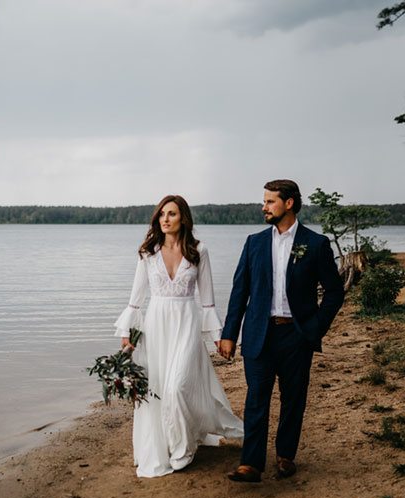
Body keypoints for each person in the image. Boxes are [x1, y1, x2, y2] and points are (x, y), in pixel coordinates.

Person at [220, 179, 344, 482]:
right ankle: (251, 463)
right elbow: (240, 292)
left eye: (269, 201)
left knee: (293, 399)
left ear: (288, 203)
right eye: (264, 201)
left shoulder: (315, 244)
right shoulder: (254, 242)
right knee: (256, 398)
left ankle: (286, 456)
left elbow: (334, 292)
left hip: (296, 334)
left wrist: (315, 328)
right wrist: (229, 333)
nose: (263, 207)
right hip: (259, 333)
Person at [114, 194, 244, 478]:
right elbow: (136, 299)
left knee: (178, 387)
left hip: (186, 324)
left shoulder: (199, 251)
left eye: (171, 214)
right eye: (161, 214)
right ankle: (170, 446)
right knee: (159, 389)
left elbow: (207, 300)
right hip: (156, 326)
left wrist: (217, 337)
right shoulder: (148, 253)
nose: (165, 219)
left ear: (183, 218)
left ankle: (183, 449)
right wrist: (128, 333)